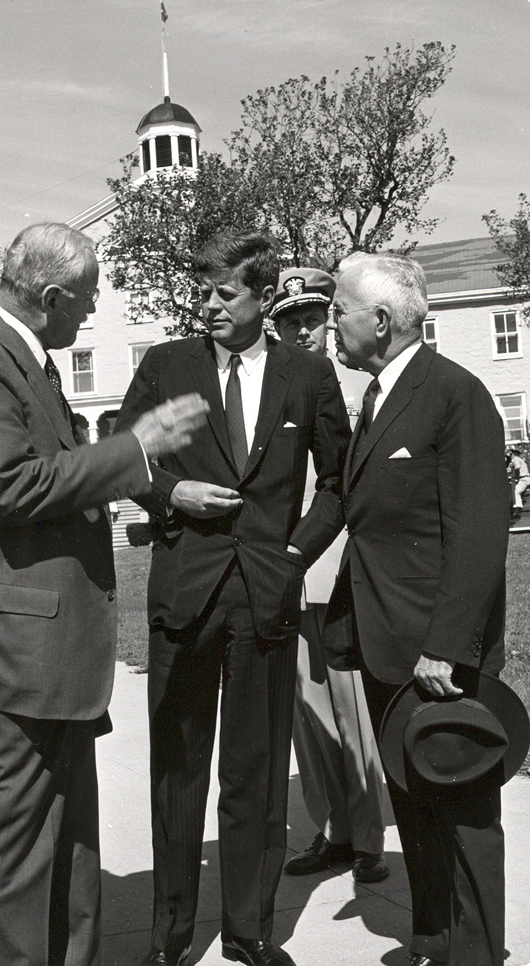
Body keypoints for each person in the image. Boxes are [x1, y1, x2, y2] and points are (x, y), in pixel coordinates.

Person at [0, 222, 208, 966]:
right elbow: (15, 486)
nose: (91, 313)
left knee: (69, 850)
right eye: (85, 301)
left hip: (47, 657)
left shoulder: (27, 359)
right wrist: (134, 448)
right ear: (49, 296)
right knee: (15, 860)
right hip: (11, 658)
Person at [114, 232, 351, 966]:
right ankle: (170, 937)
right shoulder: (167, 364)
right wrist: (169, 491)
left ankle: (249, 929)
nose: (209, 306)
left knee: (254, 775)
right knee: (177, 776)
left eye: (226, 295)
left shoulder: (306, 376)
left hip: (266, 598)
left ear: (262, 297)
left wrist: (293, 552)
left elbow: (341, 482)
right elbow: (122, 455)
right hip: (185, 594)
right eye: (204, 293)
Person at [324, 251, 510, 966]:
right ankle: (433, 942)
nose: (332, 322)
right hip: (383, 646)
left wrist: (447, 646)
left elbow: (478, 531)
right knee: (415, 805)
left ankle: (478, 955)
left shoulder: (454, 393)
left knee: (463, 817)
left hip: (437, 657)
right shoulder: (374, 397)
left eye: (339, 309)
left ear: (380, 320)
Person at [270, 268, 387, 883]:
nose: (302, 330)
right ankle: (330, 829)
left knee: (353, 709)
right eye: (289, 320)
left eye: (312, 318)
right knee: (306, 715)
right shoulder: (270, 386)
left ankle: (368, 837)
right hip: (288, 569)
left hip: (341, 564)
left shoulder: (359, 383)